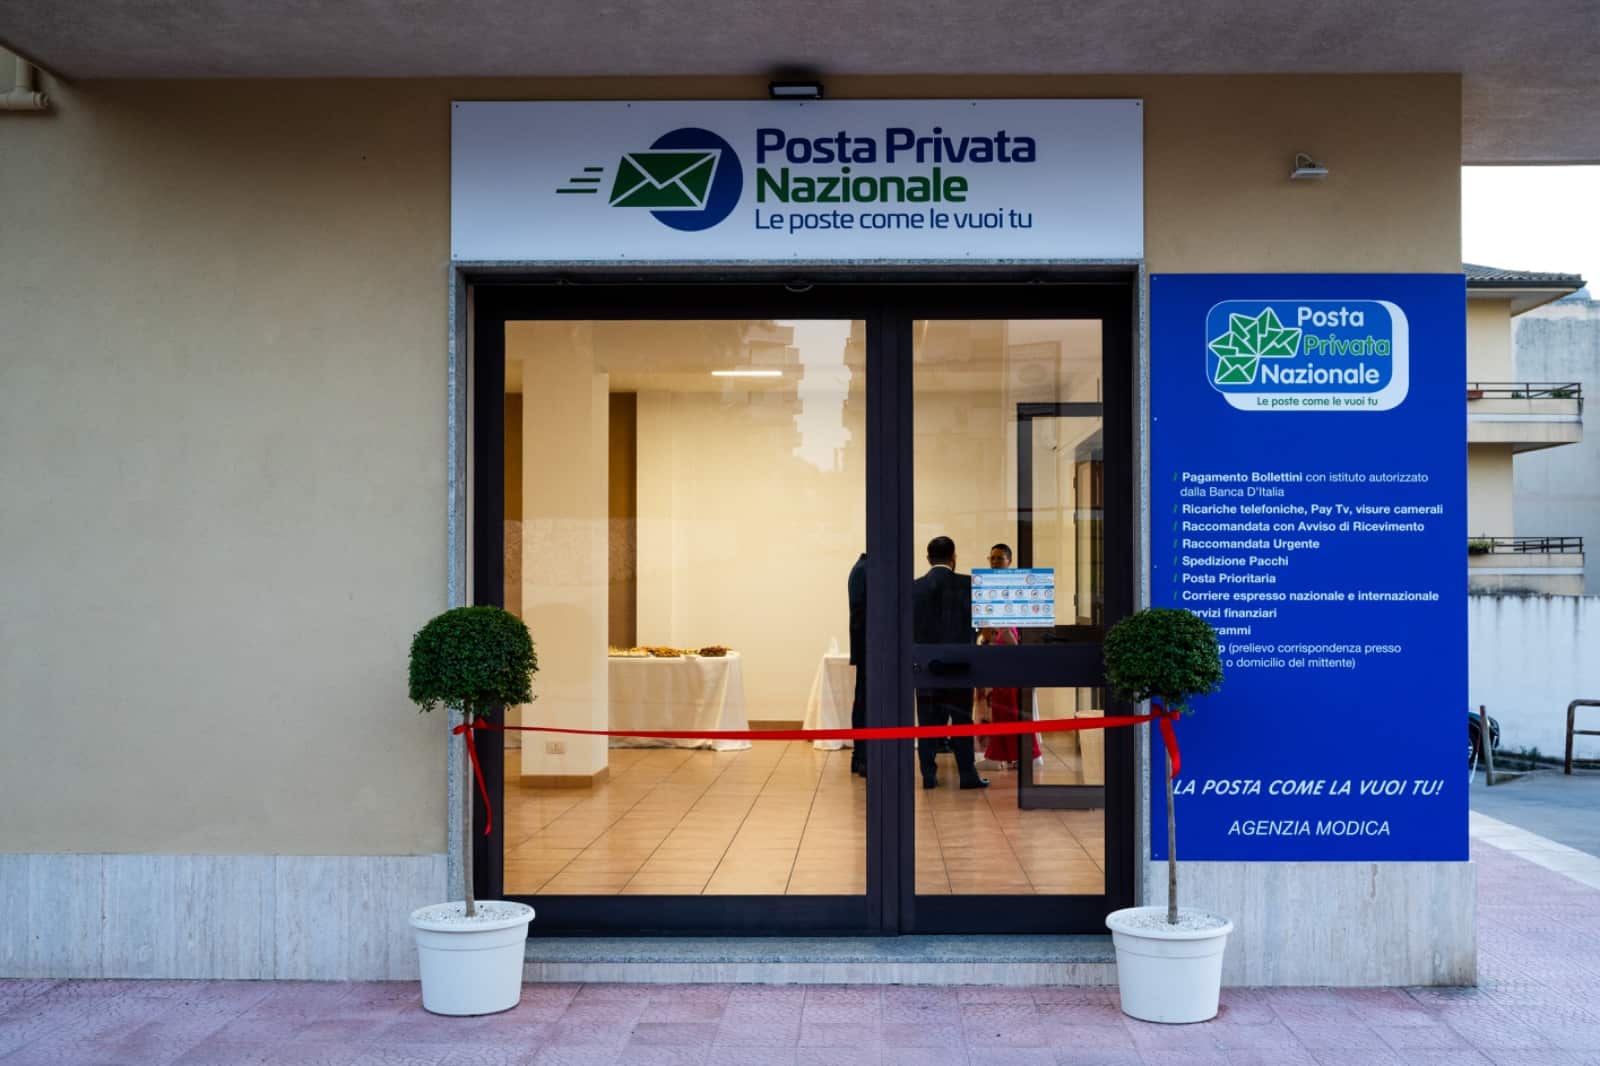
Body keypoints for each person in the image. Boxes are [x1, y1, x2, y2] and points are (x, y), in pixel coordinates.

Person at [912, 536, 988, 790]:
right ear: (954, 558)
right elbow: (980, 625)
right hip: (960, 667)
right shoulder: (968, 585)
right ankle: (967, 775)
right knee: (962, 721)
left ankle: (928, 775)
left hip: (927, 668)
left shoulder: (914, 588)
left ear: (928, 558)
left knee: (927, 723)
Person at [978, 624, 1040, 768]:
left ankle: (1019, 756)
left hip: (1007, 679)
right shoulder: (1004, 628)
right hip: (1005, 677)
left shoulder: (1005, 628)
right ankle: (1004, 756)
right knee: (1004, 717)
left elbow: (1015, 651)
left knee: (1008, 717)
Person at [847, 552, 868, 777]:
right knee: (864, 702)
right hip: (869, 649)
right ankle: (862, 756)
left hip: (867, 649)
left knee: (863, 700)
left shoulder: (861, 568)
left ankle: (860, 756)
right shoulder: (865, 570)